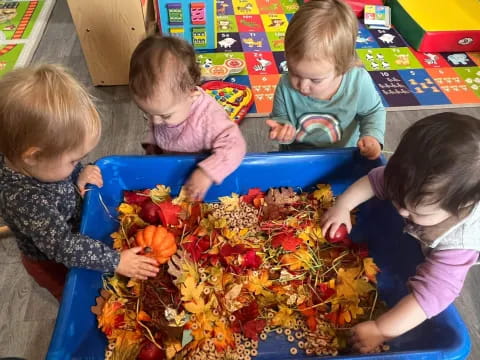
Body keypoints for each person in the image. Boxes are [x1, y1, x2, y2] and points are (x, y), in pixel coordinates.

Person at [321, 112, 480, 352]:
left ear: (459, 209)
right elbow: (375, 181)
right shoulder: (409, 177)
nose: (402, 212)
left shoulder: (458, 243)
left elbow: (431, 296)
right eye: (397, 199)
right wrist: (343, 206)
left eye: (416, 212)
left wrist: (381, 328)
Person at [0, 65, 159, 300]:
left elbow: (59, 170)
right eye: (74, 160)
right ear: (32, 156)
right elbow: (64, 247)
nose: (77, 165)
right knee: (76, 293)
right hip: (53, 261)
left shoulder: (42, 164)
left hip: (76, 231)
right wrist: (116, 261)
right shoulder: (25, 200)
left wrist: (79, 173)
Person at [129, 35, 247, 200]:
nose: (155, 121)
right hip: (172, 164)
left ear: (191, 95)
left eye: (165, 115)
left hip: (203, 180)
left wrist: (207, 173)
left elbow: (235, 146)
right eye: (148, 113)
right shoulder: (166, 106)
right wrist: (152, 149)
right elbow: (159, 129)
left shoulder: (208, 119)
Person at [267, 0, 385, 159]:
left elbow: (373, 112)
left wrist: (372, 137)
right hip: (296, 157)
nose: (302, 86)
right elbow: (279, 118)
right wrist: (282, 128)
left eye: (315, 80)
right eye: (294, 72)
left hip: (343, 157)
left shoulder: (358, 82)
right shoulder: (285, 85)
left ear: (342, 67)